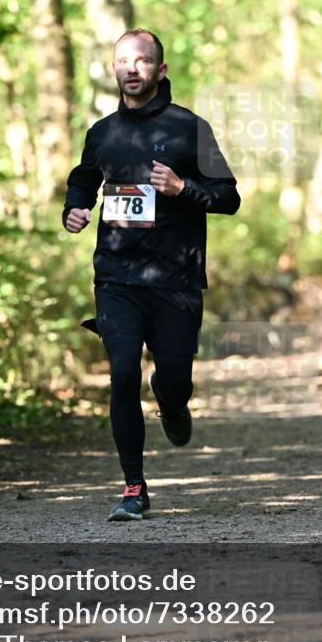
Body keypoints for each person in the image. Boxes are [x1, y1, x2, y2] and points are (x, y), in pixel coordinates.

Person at [62, 29, 241, 522]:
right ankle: (133, 488)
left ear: (160, 70)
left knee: (175, 382)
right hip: (116, 277)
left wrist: (185, 188)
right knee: (121, 374)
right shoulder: (102, 133)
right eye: (123, 60)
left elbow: (228, 196)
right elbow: (83, 179)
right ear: (114, 68)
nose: (132, 68)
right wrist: (74, 209)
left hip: (176, 280)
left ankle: (172, 398)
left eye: (142, 61)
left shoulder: (191, 128)